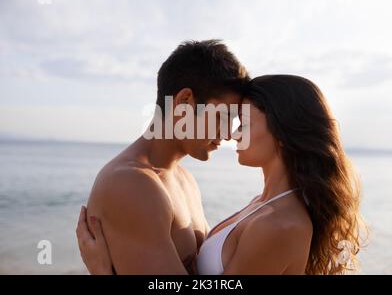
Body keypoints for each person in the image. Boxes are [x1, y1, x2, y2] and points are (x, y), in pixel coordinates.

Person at [77, 72, 367, 274]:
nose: (233, 134)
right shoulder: (262, 204)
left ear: (281, 131)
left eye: (244, 123)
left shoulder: (282, 224)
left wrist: (103, 272)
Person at [76, 39, 250, 274]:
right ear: (184, 102)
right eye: (222, 116)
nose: (228, 133)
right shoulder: (131, 184)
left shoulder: (185, 179)